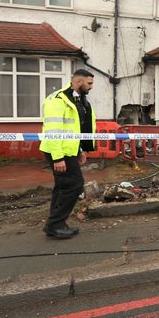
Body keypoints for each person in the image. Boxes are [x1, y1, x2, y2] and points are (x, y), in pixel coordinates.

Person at [39, 69, 96, 239]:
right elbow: (53, 129)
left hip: (70, 150)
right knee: (75, 185)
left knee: (63, 186)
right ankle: (54, 224)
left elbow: (78, 128)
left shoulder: (79, 100)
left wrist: (81, 150)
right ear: (78, 82)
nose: (92, 87)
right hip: (58, 151)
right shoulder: (58, 100)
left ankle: (56, 224)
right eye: (89, 83)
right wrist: (58, 157)